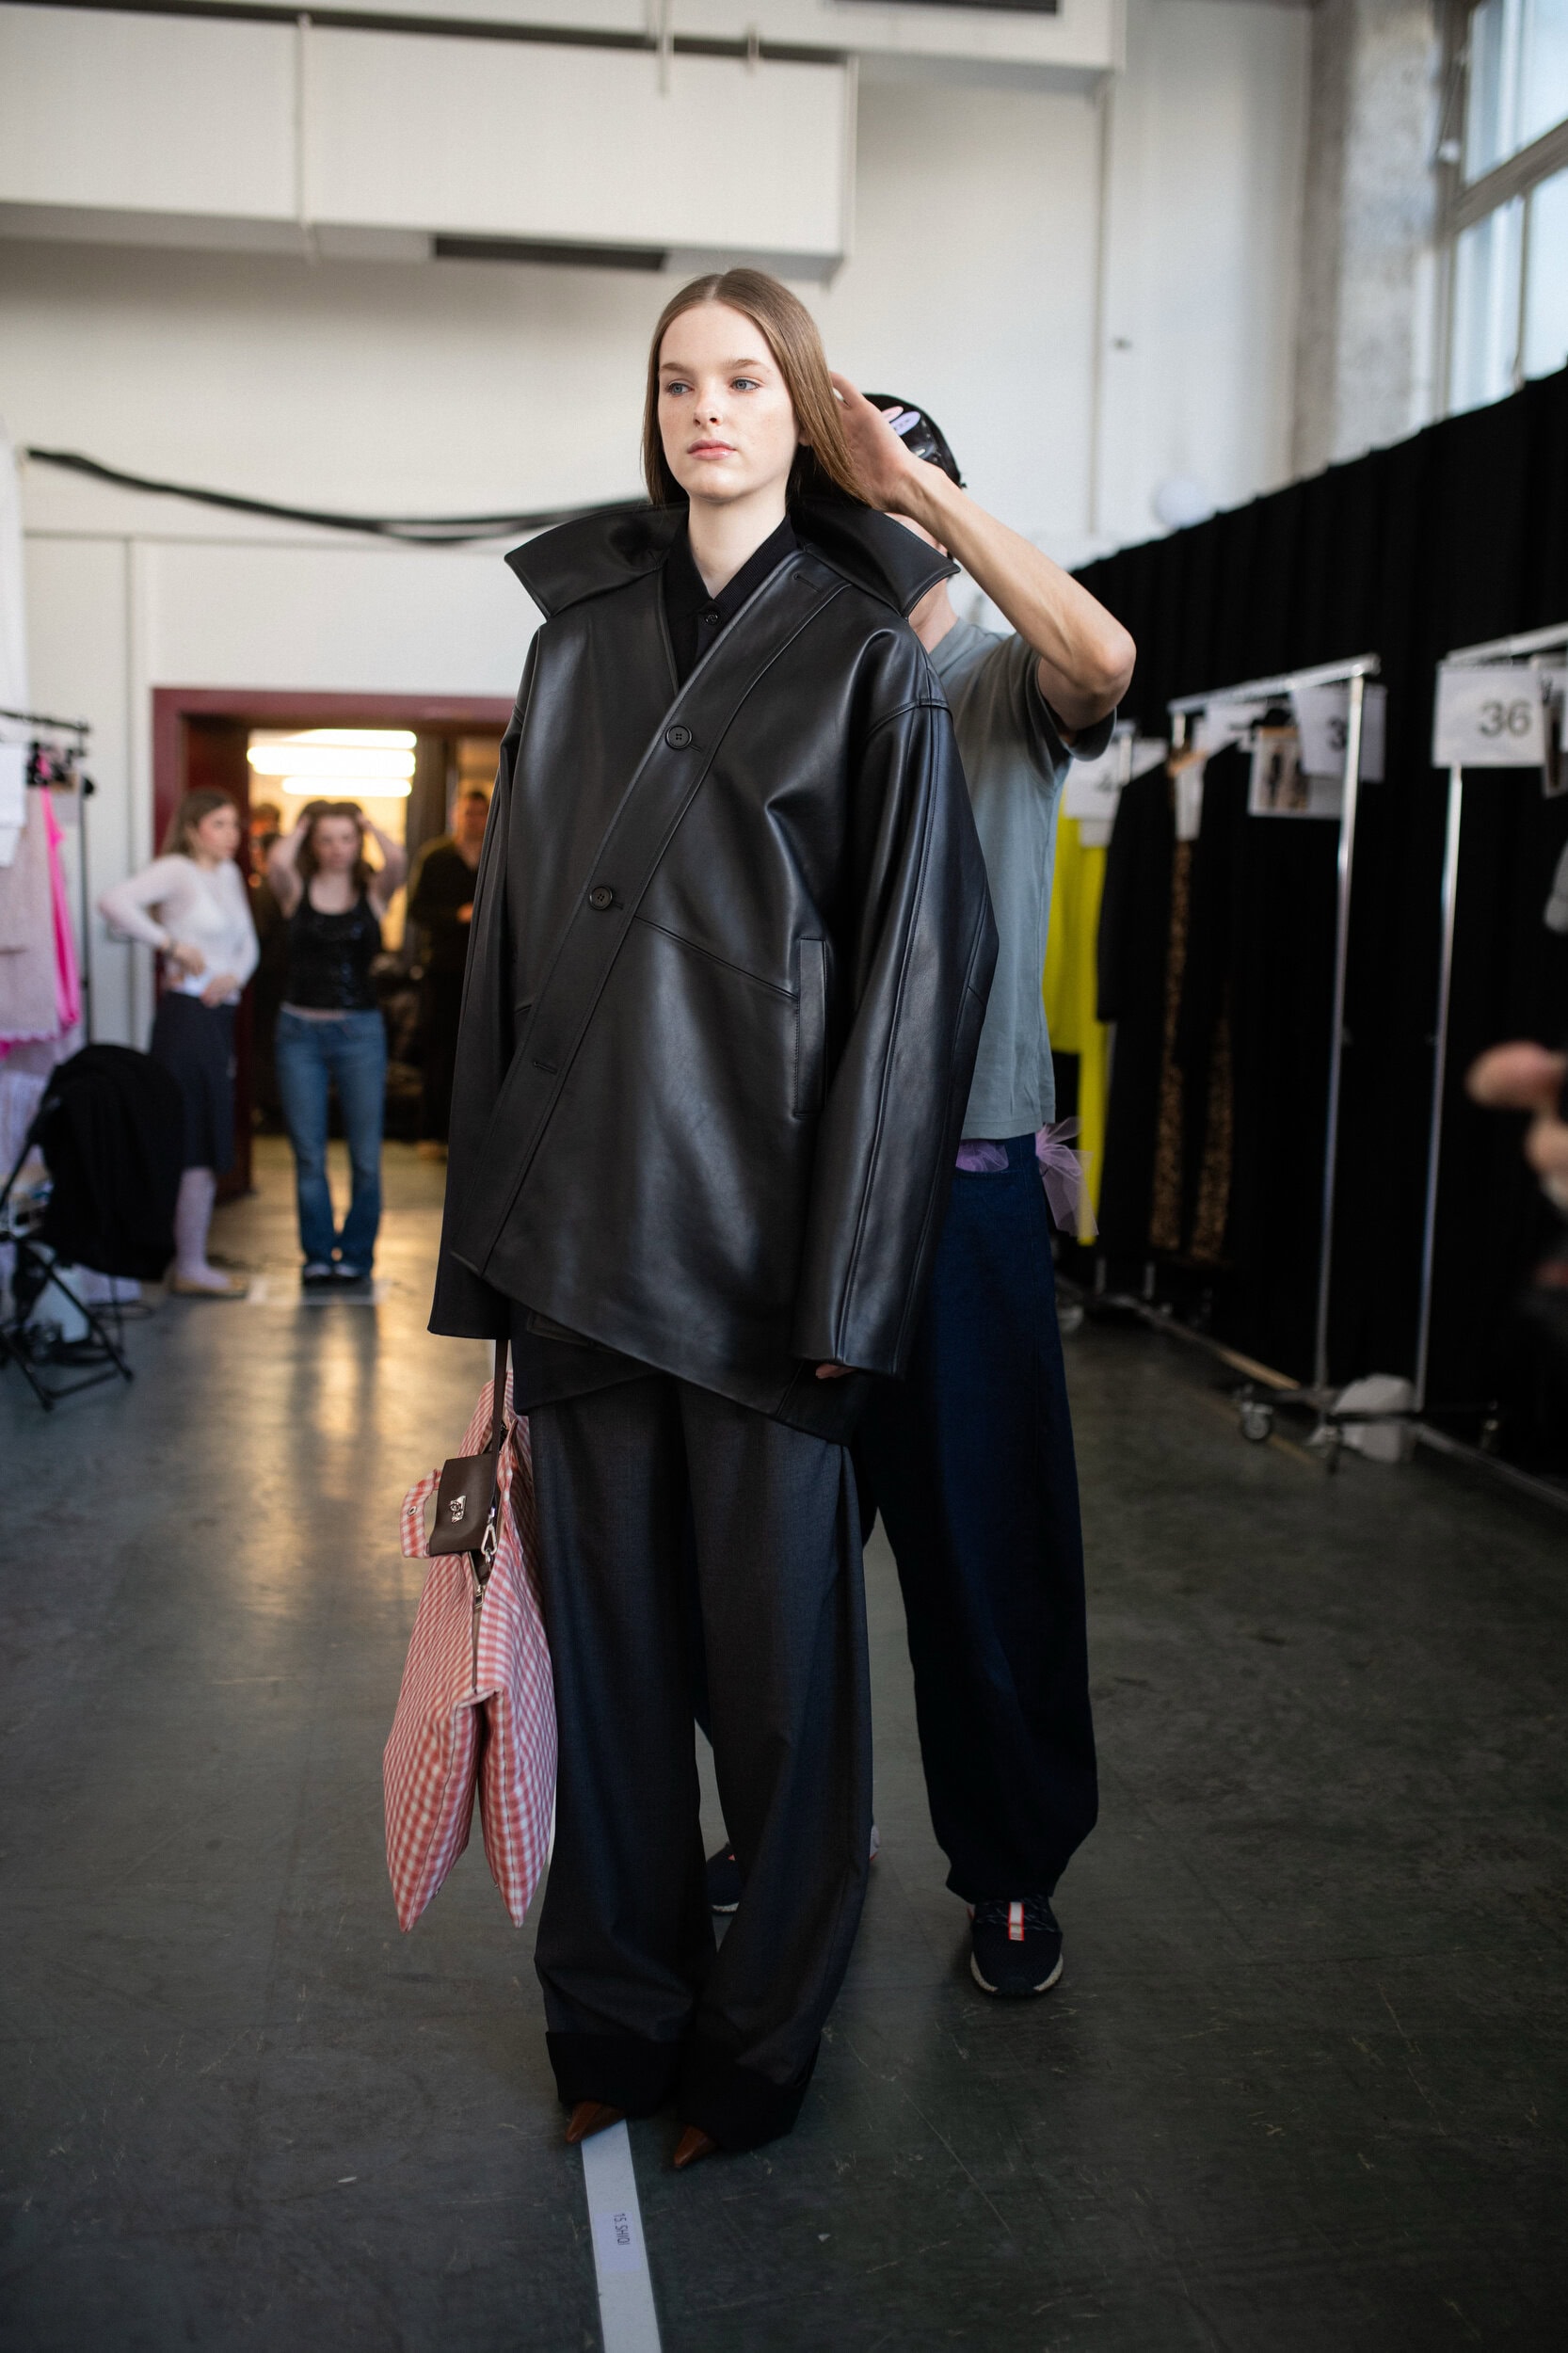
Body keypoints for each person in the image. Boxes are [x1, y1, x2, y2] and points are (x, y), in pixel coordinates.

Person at [431, 270, 995, 2166]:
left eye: (744, 377)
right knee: (601, 1686)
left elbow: (918, 979)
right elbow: (509, 944)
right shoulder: (577, 638)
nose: (705, 408)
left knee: (780, 1700)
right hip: (579, 1240)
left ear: (803, 404)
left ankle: (754, 2055)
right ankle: (611, 2014)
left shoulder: (860, 652)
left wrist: (849, 1289)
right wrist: (483, 1268)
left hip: (765, 1268)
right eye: (678, 379)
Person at [713, 384, 1129, 2001]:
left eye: (891, 492)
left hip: (959, 1188)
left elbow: (1105, 664)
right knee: (774, 1555)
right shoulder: (800, 683)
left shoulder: (997, 677)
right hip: (793, 1188)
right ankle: (785, 1823)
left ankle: (1012, 1869)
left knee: (981, 1557)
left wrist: (926, 498)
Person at [98, 789, 259, 1297]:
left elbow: (248, 943)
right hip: (184, 1019)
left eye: (235, 824)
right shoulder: (176, 869)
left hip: (216, 1018)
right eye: (219, 824)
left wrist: (233, 976)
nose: (231, 834)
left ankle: (189, 1260)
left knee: (210, 1133)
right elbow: (112, 903)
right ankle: (186, 1263)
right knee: (190, 1135)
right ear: (193, 829)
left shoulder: (229, 875)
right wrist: (170, 945)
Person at [266, 800, 407, 1290]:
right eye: (326, 839)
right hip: (299, 1033)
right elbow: (277, 863)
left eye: (346, 838)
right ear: (312, 842)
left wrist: (370, 824)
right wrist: (303, 823)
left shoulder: (373, 892)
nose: (336, 849)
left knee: (365, 1157)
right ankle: (319, 1255)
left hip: (359, 1034)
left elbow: (398, 862)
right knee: (309, 1154)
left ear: (358, 841)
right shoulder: (295, 891)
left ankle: (358, 1256)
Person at [407, 787, 489, 1158]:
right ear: (457, 815)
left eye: (480, 813)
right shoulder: (436, 857)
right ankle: (431, 1134)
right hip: (443, 967)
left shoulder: (498, 853)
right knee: (438, 1049)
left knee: (482, 1049)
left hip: (486, 967)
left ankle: (476, 1136)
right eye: (468, 813)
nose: (474, 820)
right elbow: (417, 909)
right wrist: (457, 915)